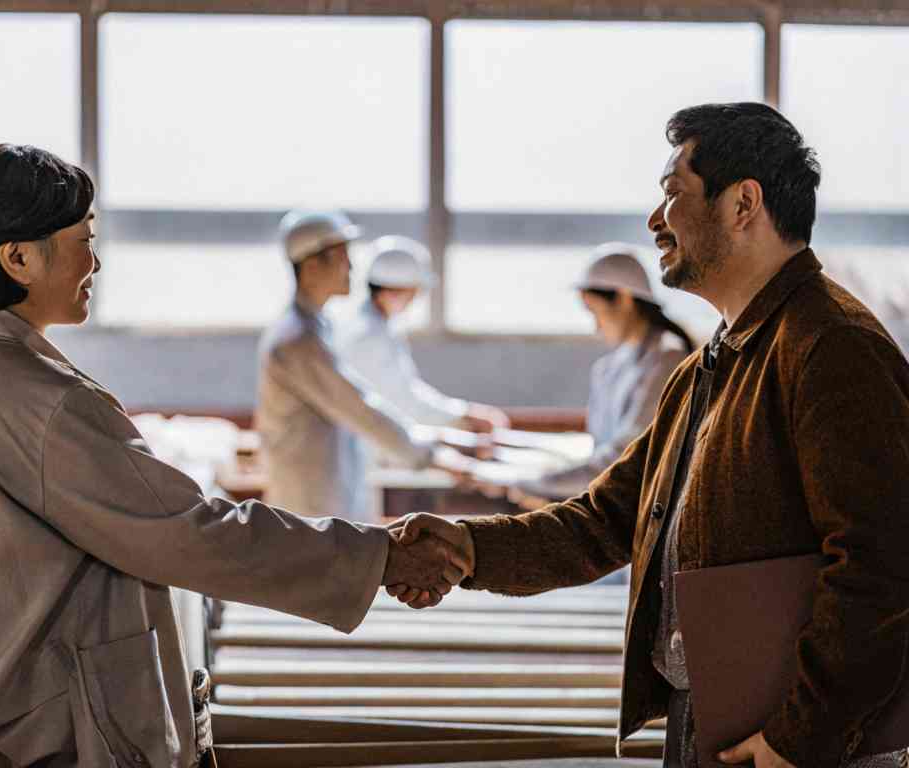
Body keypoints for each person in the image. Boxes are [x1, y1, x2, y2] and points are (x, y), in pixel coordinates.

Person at [0, 145, 463, 768]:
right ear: (19, 258)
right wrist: (377, 556)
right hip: (40, 747)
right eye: (84, 239)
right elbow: (193, 533)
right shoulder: (42, 402)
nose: (96, 261)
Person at [388, 103, 909, 768]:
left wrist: (798, 736)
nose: (654, 220)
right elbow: (606, 520)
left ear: (743, 203)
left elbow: (881, 564)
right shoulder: (708, 367)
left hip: (802, 740)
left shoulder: (831, 347)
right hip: (725, 717)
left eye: (673, 194)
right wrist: (467, 548)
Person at [256, 212, 472, 522]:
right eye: (343, 257)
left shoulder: (321, 327)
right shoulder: (297, 341)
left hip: (329, 494)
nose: (353, 267)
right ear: (313, 264)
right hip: (310, 504)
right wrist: (432, 454)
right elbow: (361, 408)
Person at [508, 243, 693, 508]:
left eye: (595, 312)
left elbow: (625, 459)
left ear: (624, 298)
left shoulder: (668, 357)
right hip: (612, 503)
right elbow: (599, 450)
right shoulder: (607, 368)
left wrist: (536, 482)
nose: (595, 325)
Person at [336, 235, 509, 433]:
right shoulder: (370, 338)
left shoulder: (369, 326)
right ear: (393, 291)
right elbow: (406, 402)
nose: (413, 300)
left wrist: (463, 413)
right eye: (412, 293)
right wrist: (464, 415)